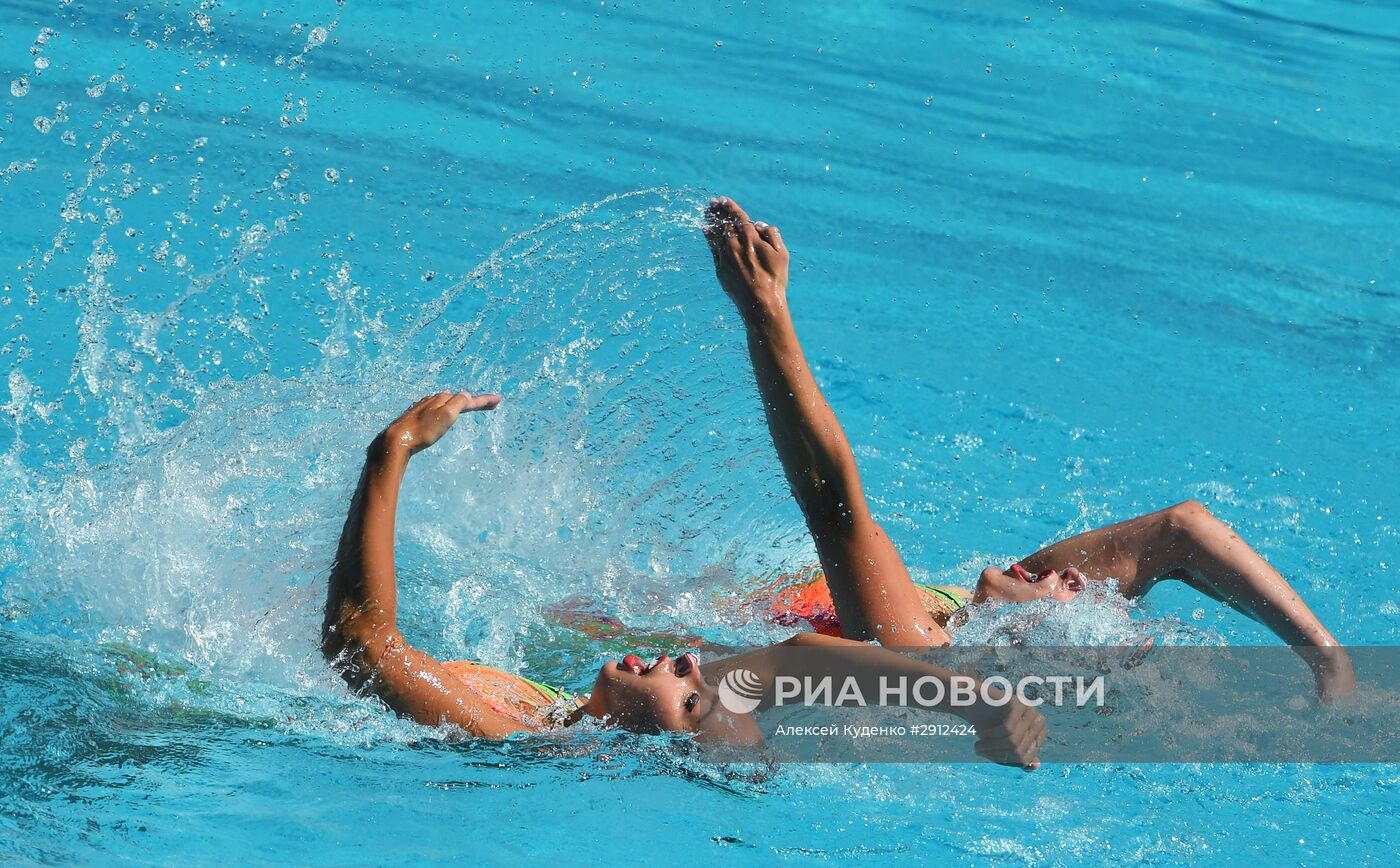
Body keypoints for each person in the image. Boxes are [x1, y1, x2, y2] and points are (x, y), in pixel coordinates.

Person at [320, 196, 1353, 767]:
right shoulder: (983, 603)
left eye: (689, 684)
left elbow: (829, 516)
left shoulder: (913, 630)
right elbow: (1175, 528)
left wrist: (767, 318)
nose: (1053, 566)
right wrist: (1326, 662)